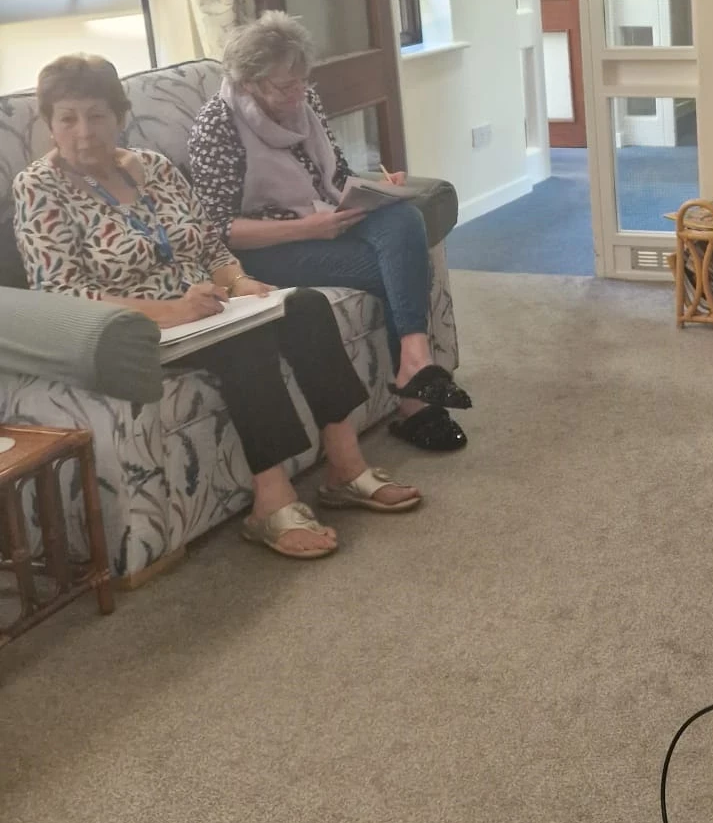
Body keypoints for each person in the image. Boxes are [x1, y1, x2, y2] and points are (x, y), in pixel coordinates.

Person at [13, 54, 421, 560]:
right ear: (49, 124)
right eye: (68, 118)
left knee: (306, 306)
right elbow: (59, 292)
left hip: (209, 306)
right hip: (136, 331)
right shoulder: (37, 188)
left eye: (96, 116)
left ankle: (345, 468)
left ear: (119, 116)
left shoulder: (154, 169)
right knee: (245, 343)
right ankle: (270, 503)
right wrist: (172, 312)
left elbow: (209, 246)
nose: (84, 132)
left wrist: (243, 282)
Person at [189, 11, 469, 453]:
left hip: (326, 220)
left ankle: (414, 364)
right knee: (402, 271)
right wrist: (308, 227)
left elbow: (333, 176)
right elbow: (219, 230)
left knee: (404, 219)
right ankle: (416, 402)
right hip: (266, 251)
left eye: (303, 79)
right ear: (248, 83)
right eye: (285, 86)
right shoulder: (218, 125)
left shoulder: (305, 101)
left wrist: (376, 190)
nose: (299, 93)